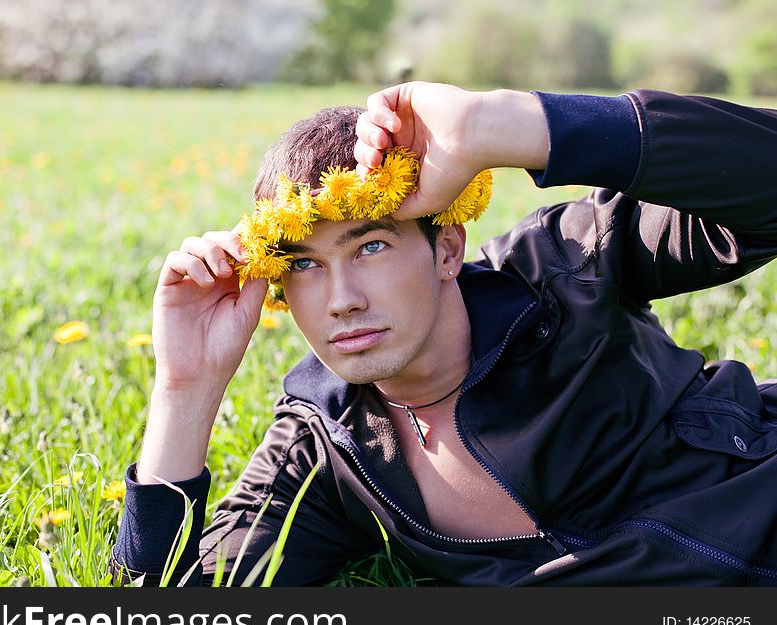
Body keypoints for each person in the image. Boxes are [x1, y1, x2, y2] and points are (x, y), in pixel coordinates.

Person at [112, 81, 777, 586]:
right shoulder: (325, 453)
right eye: (306, 264)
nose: (341, 300)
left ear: (447, 250)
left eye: (370, 246)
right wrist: (184, 387)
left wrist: (507, 124)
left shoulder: (568, 268)